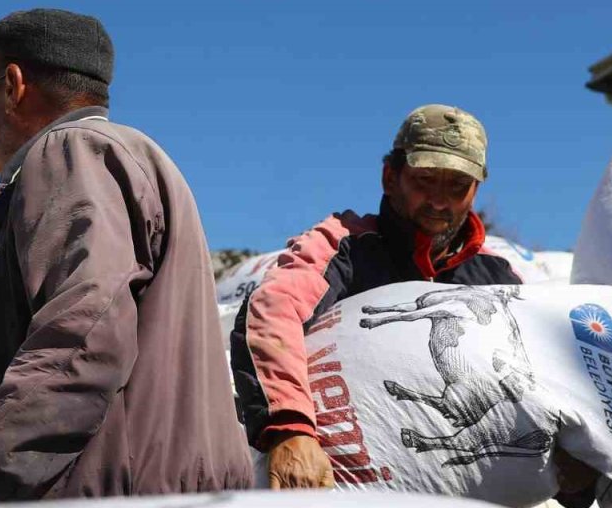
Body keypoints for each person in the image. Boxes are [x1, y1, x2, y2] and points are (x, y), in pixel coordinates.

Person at [0, 9, 252, 505]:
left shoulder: (70, 151)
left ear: (13, 85)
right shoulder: (137, 157)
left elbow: (84, 333)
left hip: (105, 492)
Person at [230, 104, 540, 488]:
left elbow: (534, 379)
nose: (440, 202)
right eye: (425, 180)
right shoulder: (347, 247)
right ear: (390, 177)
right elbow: (271, 310)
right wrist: (290, 430)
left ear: (476, 189)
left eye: (457, 186)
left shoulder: (500, 278)